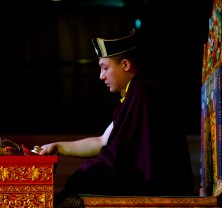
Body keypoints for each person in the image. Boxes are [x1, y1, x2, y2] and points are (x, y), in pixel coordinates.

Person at [38, 26, 194, 207]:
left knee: (82, 183)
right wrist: (57, 147)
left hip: (159, 186)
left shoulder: (145, 93)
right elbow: (103, 141)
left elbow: (134, 161)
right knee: (82, 181)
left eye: (104, 68)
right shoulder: (132, 95)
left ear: (126, 64)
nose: (101, 76)